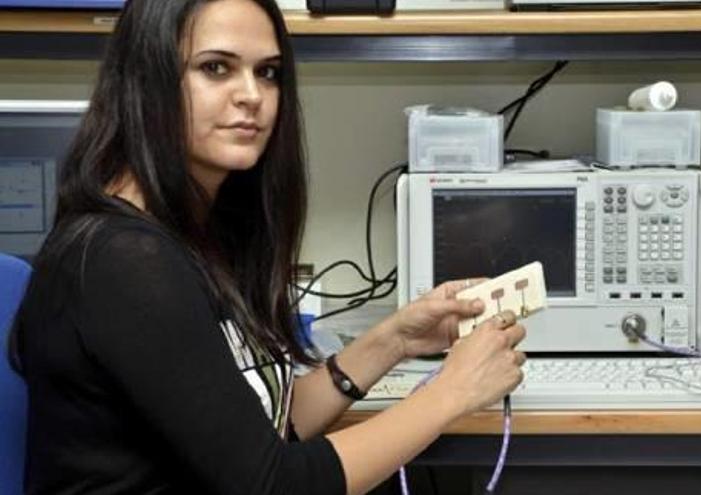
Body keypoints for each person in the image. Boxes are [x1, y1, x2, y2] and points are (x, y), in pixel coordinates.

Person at [6, 0, 527, 493]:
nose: (251, 94)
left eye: (268, 72)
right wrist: (449, 394)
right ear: (147, 80)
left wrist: (393, 340)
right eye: (215, 68)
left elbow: (257, 433)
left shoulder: (188, 234)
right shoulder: (123, 262)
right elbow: (271, 485)